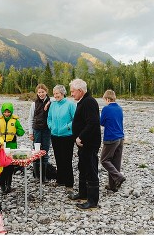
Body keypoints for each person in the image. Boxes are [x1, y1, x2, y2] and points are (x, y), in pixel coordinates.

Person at [67, 78, 101, 210]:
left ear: (80, 91)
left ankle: (92, 201)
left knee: (91, 170)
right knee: (82, 167)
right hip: (83, 144)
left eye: (73, 91)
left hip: (89, 143)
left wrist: (80, 137)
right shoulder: (83, 101)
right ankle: (83, 193)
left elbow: (93, 122)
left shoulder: (89, 102)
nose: (71, 94)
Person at [47, 85, 76, 192]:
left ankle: (69, 183)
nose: (55, 96)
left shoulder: (70, 105)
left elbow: (76, 119)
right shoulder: (53, 105)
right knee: (58, 158)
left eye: (57, 93)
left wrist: (68, 127)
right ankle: (60, 180)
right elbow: (49, 118)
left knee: (67, 160)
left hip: (67, 136)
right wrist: (51, 126)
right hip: (55, 135)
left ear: (63, 93)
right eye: (54, 94)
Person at [100, 90, 125, 192]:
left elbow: (102, 122)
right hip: (121, 138)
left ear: (107, 99)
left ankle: (119, 177)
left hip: (111, 138)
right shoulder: (119, 108)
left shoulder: (106, 109)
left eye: (104, 100)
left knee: (104, 160)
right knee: (116, 162)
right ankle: (113, 186)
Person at [0, 102, 25, 195]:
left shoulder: (15, 121)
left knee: (10, 167)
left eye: (9, 112)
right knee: (1, 167)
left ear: (11, 112)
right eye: (5, 112)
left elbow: (21, 132)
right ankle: (2, 186)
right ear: (2, 112)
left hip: (12, 146)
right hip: (1, 147)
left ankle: (8, 185)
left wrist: (17, 130)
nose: (6, 114)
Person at [29, 84, 52, 182]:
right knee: (36, 152)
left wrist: (49, 102)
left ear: (46, 92)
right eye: (39, 92)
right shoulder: (34, 104)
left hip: (47, 130)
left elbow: (57, 98)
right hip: (37, 130)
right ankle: (37, 176)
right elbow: (30, 118)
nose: (41, 94)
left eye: (43, 92)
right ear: (37, 93)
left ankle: (44, 176)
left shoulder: (51, 102)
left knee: (45, 153)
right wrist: (31, 133)